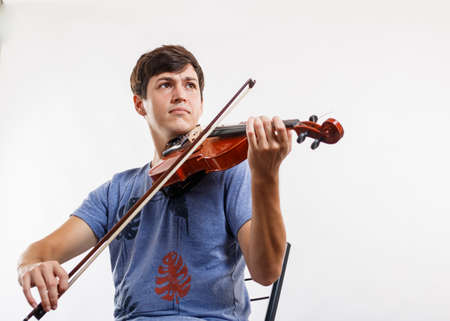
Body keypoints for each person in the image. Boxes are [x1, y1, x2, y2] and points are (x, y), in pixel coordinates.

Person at [17, 45, 292, 321]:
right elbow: (39, 252)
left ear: (201, 104)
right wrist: (30, 265)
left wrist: (266, 177)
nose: (181, 95)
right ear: (140, 104)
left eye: (190, 85)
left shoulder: (230, 173)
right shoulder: (117, 192)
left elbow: (266, 272)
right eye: (165, 84)